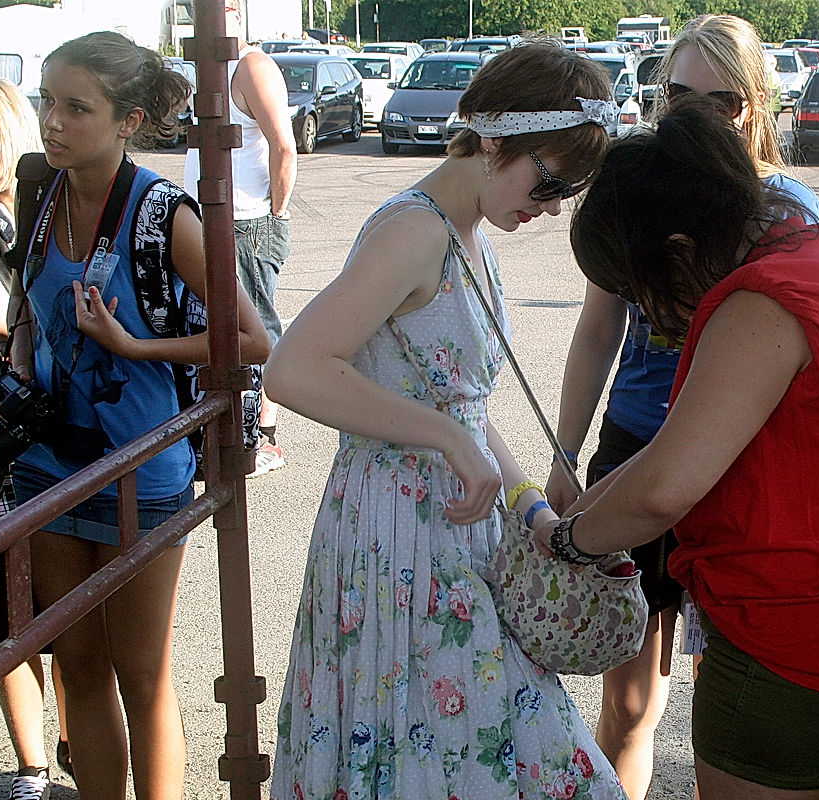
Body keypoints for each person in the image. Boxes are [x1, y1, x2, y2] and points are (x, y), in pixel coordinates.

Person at [541, 97, 819, 799]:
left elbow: (663, 490)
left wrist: (567, 545)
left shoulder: (759, 306)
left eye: (642, 294)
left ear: (677, 252)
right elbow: (677, 452)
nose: (650, 315)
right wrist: (585, 507)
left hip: (803, 656)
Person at [263, 41, 627, 800]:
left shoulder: (470, 236)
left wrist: (526, 502)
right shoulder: (414, 231)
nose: (553, 204)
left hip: (453, 535)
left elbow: (463, 402)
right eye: (549, 178)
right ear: (495, 138)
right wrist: (448, 439)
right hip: (393, 538)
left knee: (479, 751)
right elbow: (294, 370)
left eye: (567, 189)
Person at [0, 32, 270, 800]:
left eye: (78, 107)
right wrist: (11, 369)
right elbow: (34, 314)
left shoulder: (161, 213)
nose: (53, 121)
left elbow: (251, 337)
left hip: (142, 467)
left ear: (130, 120)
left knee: (141, 676)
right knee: (77, 668)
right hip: (48, 462)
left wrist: (135, 345)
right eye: (47, 102)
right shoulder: (39, 191)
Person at [541, 15, 819, 800]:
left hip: (739, 464)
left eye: (720, 100)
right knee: (630, 702)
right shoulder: (636, 186)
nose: (696, 115)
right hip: (634, 446)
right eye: (678, 95)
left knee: (725, 697)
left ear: (757, 104)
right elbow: (598, 330)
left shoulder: (786, 207)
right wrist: (566, 457)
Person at [0, 75, 71, 800]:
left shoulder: (55, 210)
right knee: (6, 613)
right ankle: (32, 765)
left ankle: (73, 740)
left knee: (62, 604)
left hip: (50, 432)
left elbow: (65, 325)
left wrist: (2, 331)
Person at [185, 0, 297, 477]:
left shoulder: (253, 66)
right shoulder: (207, 67)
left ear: (233, 11)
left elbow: (285, 146)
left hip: (246, 225)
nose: (205, 15)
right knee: (217, 331)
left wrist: (274, 213)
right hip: (208, 222)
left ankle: (263, 437)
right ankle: (228, 431)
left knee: (258, 332)